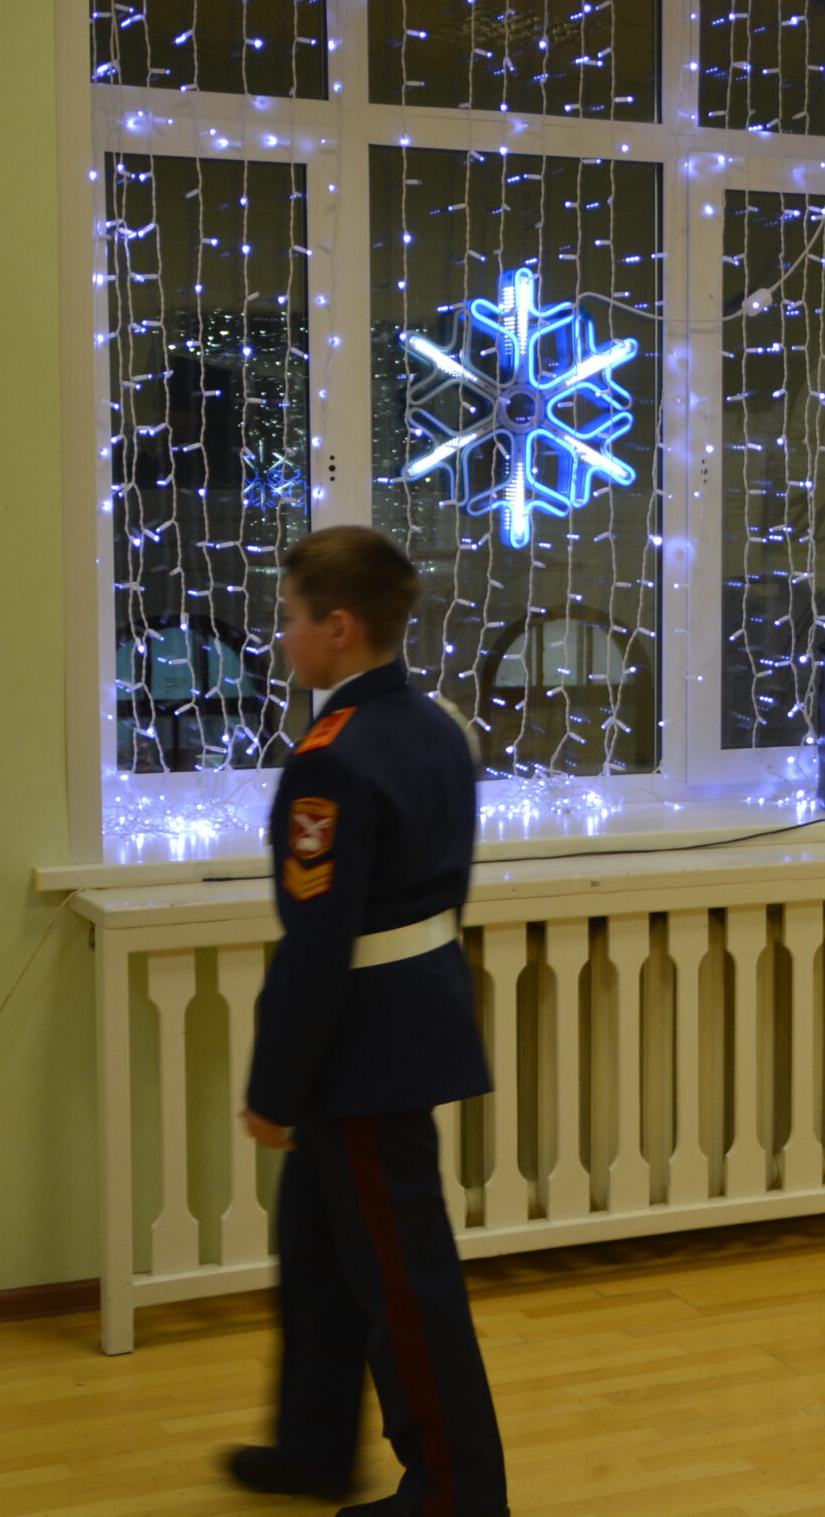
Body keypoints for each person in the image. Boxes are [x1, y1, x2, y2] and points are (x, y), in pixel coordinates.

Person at [223, 526, 509, 1517]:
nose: (282, 637)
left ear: (338, 627)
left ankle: (455, 1492)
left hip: (359, 1052)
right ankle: (313, 1447)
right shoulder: (438, 727)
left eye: (289, 618)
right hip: (411, 1017)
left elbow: (318, 945)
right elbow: (447, 885)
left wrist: (273, 1089)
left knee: (403, 1282)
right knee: (316, 1251)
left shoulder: (331, 760)